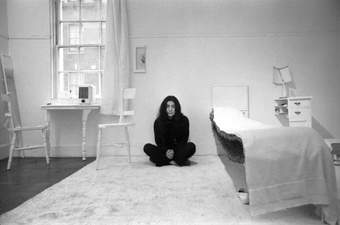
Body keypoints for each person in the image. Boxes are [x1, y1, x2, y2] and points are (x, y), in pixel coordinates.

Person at [144, 96, 196, 167]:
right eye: (168, 106)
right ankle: (178, 161)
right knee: (147, 147)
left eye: (173, 106)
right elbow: (158, 142)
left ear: (176, 108)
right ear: (164, 108)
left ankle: (163, 161)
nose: (170, 109)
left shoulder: (184, 120)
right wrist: (166, 151)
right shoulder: (158, 122)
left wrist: (174, 151)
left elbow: (184, 140)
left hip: (178, 150)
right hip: (164, 151)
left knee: (191, 146)